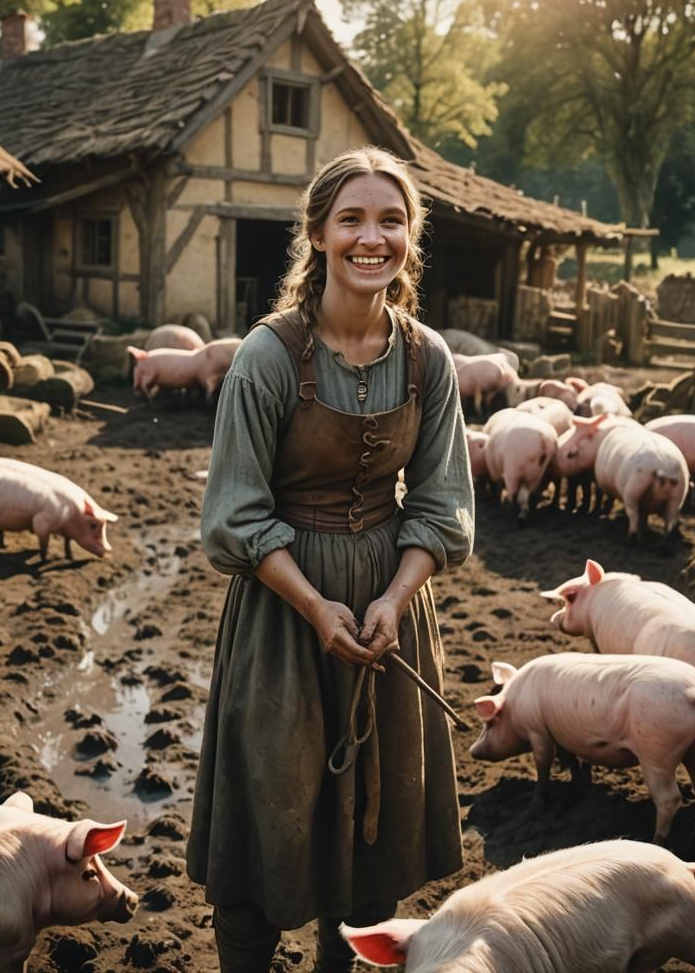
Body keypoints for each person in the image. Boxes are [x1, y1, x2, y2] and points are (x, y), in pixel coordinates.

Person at [186, 146, 475, 972]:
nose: (370, 237)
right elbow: (232, 516)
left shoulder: (430, 360)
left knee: (375, 827)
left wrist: (394, 598)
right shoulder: (267, 358)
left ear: (411, 238)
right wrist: (316, 606)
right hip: (282, 618)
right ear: (317, 233)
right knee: (268, 809)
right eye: (351, 218)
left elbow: (443, 502)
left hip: (391, 612)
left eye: (391, 220)